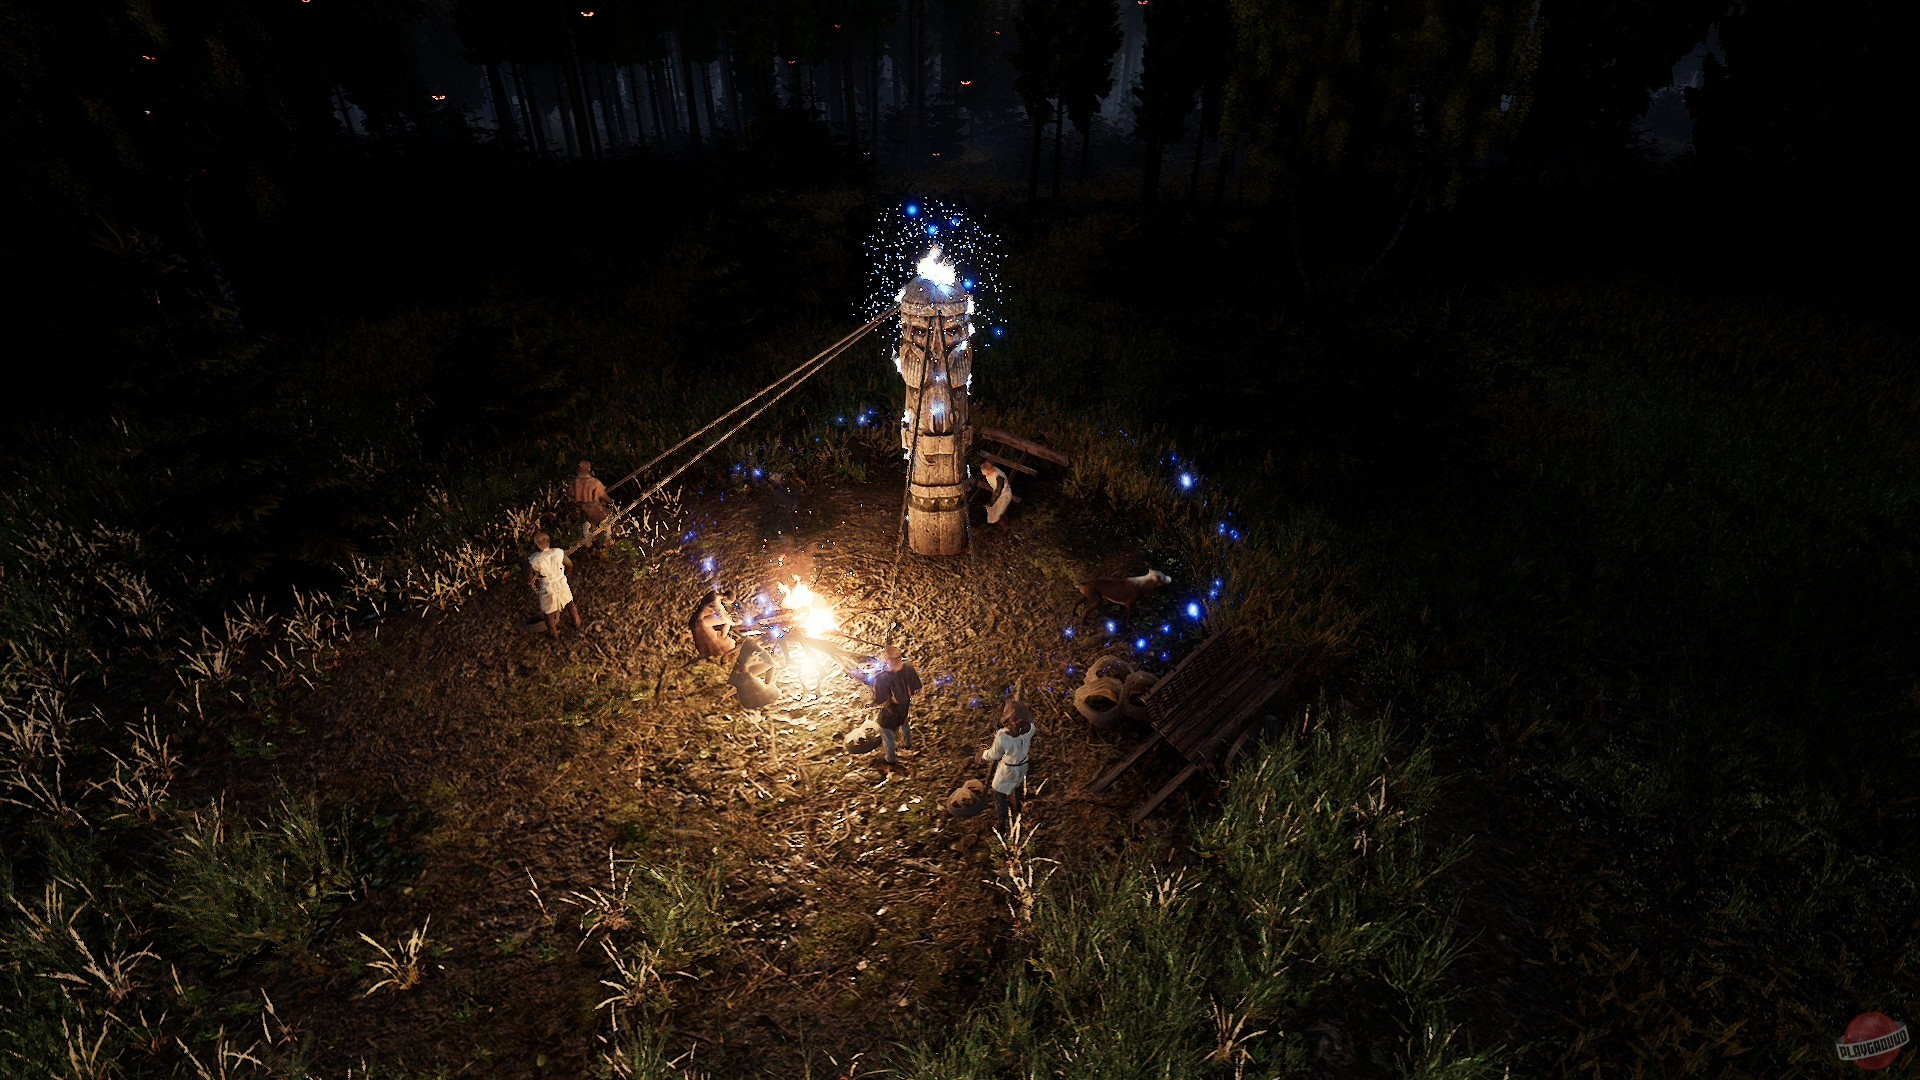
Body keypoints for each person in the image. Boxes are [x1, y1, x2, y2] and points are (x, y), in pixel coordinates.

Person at [980, 700, 1037, 827]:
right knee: (1016, 786)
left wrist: (983, 754)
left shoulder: (1002, 736)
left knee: (998, 792)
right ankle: (1018, 808)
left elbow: (994, 755)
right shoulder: (1030, 730)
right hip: (1023, 766)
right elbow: (1028, 727)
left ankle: (1002, 823)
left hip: (1008, 769)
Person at [871, 645, 923, 767]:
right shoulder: (909, 669)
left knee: (885, 731)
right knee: (904, 721)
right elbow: (917, 687)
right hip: (904, 707)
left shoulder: (882, 678)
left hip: (891, 712)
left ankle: (890, 760)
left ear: (888, 660)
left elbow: (879, 699)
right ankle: (907, 744)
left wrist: (873, 690)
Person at [526, 533, 581, 640]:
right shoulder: (558, 553)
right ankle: (577, 623)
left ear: (536, 545)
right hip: (561, 583)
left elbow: (528, 576)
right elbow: (569, 565)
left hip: (547, 587)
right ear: (549, 542)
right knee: (570, 604)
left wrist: (530, 581)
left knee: (549, 614)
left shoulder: (533, 560)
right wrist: (564, 574)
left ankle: (554, 634)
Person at [569, 461, 614, 552]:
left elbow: (572, 498)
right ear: (589, 469)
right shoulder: (594, 482)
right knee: (608, 536)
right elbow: (605, 498)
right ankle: (607, 546)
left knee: (587, 538)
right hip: (599, 514)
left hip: (586, 517)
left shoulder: (573, 485)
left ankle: (591, 548)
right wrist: (611, 501)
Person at [688, 589, 738, 660]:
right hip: (699, 621)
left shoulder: (715, 595)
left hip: (700, 619)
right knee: (726, 620)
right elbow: (722, 616)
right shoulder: (715, 601)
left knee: (727, 620)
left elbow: (721, 610)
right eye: (728, 602)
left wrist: (728, 615)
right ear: (726, 597)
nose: (727, 603)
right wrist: (734, 623)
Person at [977, 460, 1014, 532]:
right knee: (993, 514)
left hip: (1004, 495)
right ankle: (1003, 526)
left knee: (997, 515)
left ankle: (1006, 528)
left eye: (983, 471)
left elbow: (998, 491)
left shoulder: (999, 477)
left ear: (989, 470)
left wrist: (991, 503)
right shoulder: (990, 473)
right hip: (998, 495)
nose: (982, 473)